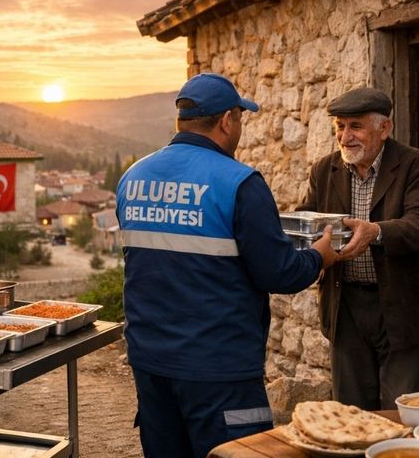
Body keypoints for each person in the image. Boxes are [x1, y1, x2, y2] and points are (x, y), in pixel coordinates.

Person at [116, 72, 342, 458]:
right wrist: (322, 253)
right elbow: (280, 273)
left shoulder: (132, 177)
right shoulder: (240, 182)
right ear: (226, 121)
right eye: (240, 117)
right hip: (219, 369)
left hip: (151, 361)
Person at [297, 86, 419, 410]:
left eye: (356, 126)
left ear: (384, 128)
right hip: (344, 304)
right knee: (349, 411)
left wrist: (375, 232)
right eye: (340, 127)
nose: (346, 136)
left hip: (400, 306)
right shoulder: (324, 169)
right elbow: (307, 217)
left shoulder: (416, 165)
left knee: (403, 411)